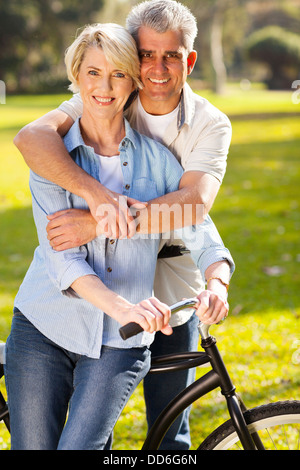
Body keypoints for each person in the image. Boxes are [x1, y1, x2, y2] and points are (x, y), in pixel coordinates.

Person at [13, 1, 233, 450]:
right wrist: (98, 198)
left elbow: (197, 217)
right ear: (76, 79)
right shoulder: (56, 154)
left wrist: (218, 281)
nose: (105, 86)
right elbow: (63, 261)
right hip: (55, 319)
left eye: (117, 74)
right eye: (93, 73)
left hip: (142, 317)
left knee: (162, 437)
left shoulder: (171, 152)